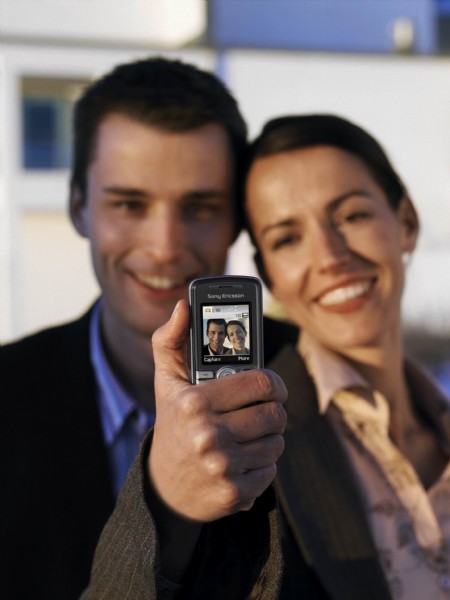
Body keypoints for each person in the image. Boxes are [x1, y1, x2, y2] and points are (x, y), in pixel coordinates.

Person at [82, 114, 450, 599]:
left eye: (352, 216)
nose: (330, 256)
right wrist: (170, 504)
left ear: (406, 223)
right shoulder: (239, 443)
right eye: (287, 239)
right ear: (267, 274)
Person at [0, 56, 297, 600]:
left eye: (200, 207)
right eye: (130, 204)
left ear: (236, 220)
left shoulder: (312, 379)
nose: (164, 246)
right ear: (78, 205)